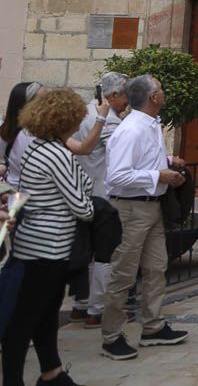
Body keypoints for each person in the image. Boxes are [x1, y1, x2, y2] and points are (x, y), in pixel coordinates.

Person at [2, 88, 95, 386]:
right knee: (27, 319)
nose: (79, 123)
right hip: (49, 246)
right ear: (66, 120)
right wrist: (88, 195)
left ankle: (52, 372)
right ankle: (15, 380)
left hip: (34, 243)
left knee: (42, 314)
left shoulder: (36, 147)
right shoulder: (57, 154)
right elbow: (83, 206)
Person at [100, 74, 189, 360]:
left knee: (156, 267)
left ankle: (152, 326)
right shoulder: (132, 129)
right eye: (161, 89)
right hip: (130, 208)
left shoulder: (150, 126)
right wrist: (158, 175)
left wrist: (166, 165)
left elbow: (142, 162)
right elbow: (116, 175)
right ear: (152, 97)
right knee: (124, 272)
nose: (164, 93)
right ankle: (111, 335)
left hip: (152, 205)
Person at [69, 71, 128, 326]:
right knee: (103, 253)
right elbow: (120, 155)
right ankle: (97, 308)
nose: (127, 101)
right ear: (113, 95)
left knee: (84, 250)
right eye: (125, 96)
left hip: (80, 192)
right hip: (101, 195)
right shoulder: (108, 122)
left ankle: (81, 304)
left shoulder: (83, 112)